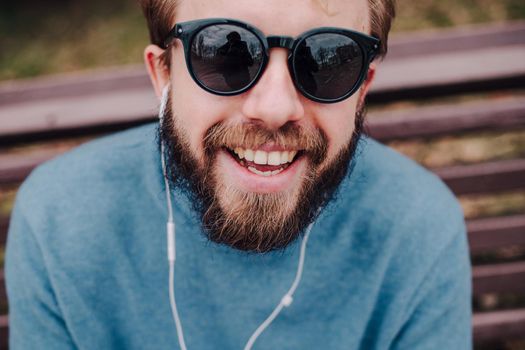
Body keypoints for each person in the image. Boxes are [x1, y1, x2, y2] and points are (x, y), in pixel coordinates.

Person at [5, 0, 472, 349]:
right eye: (226, 55)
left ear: (362, 89)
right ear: (163, 74)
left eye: (326, 61)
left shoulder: (417, 227)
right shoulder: (60, 221)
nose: (274, 109)